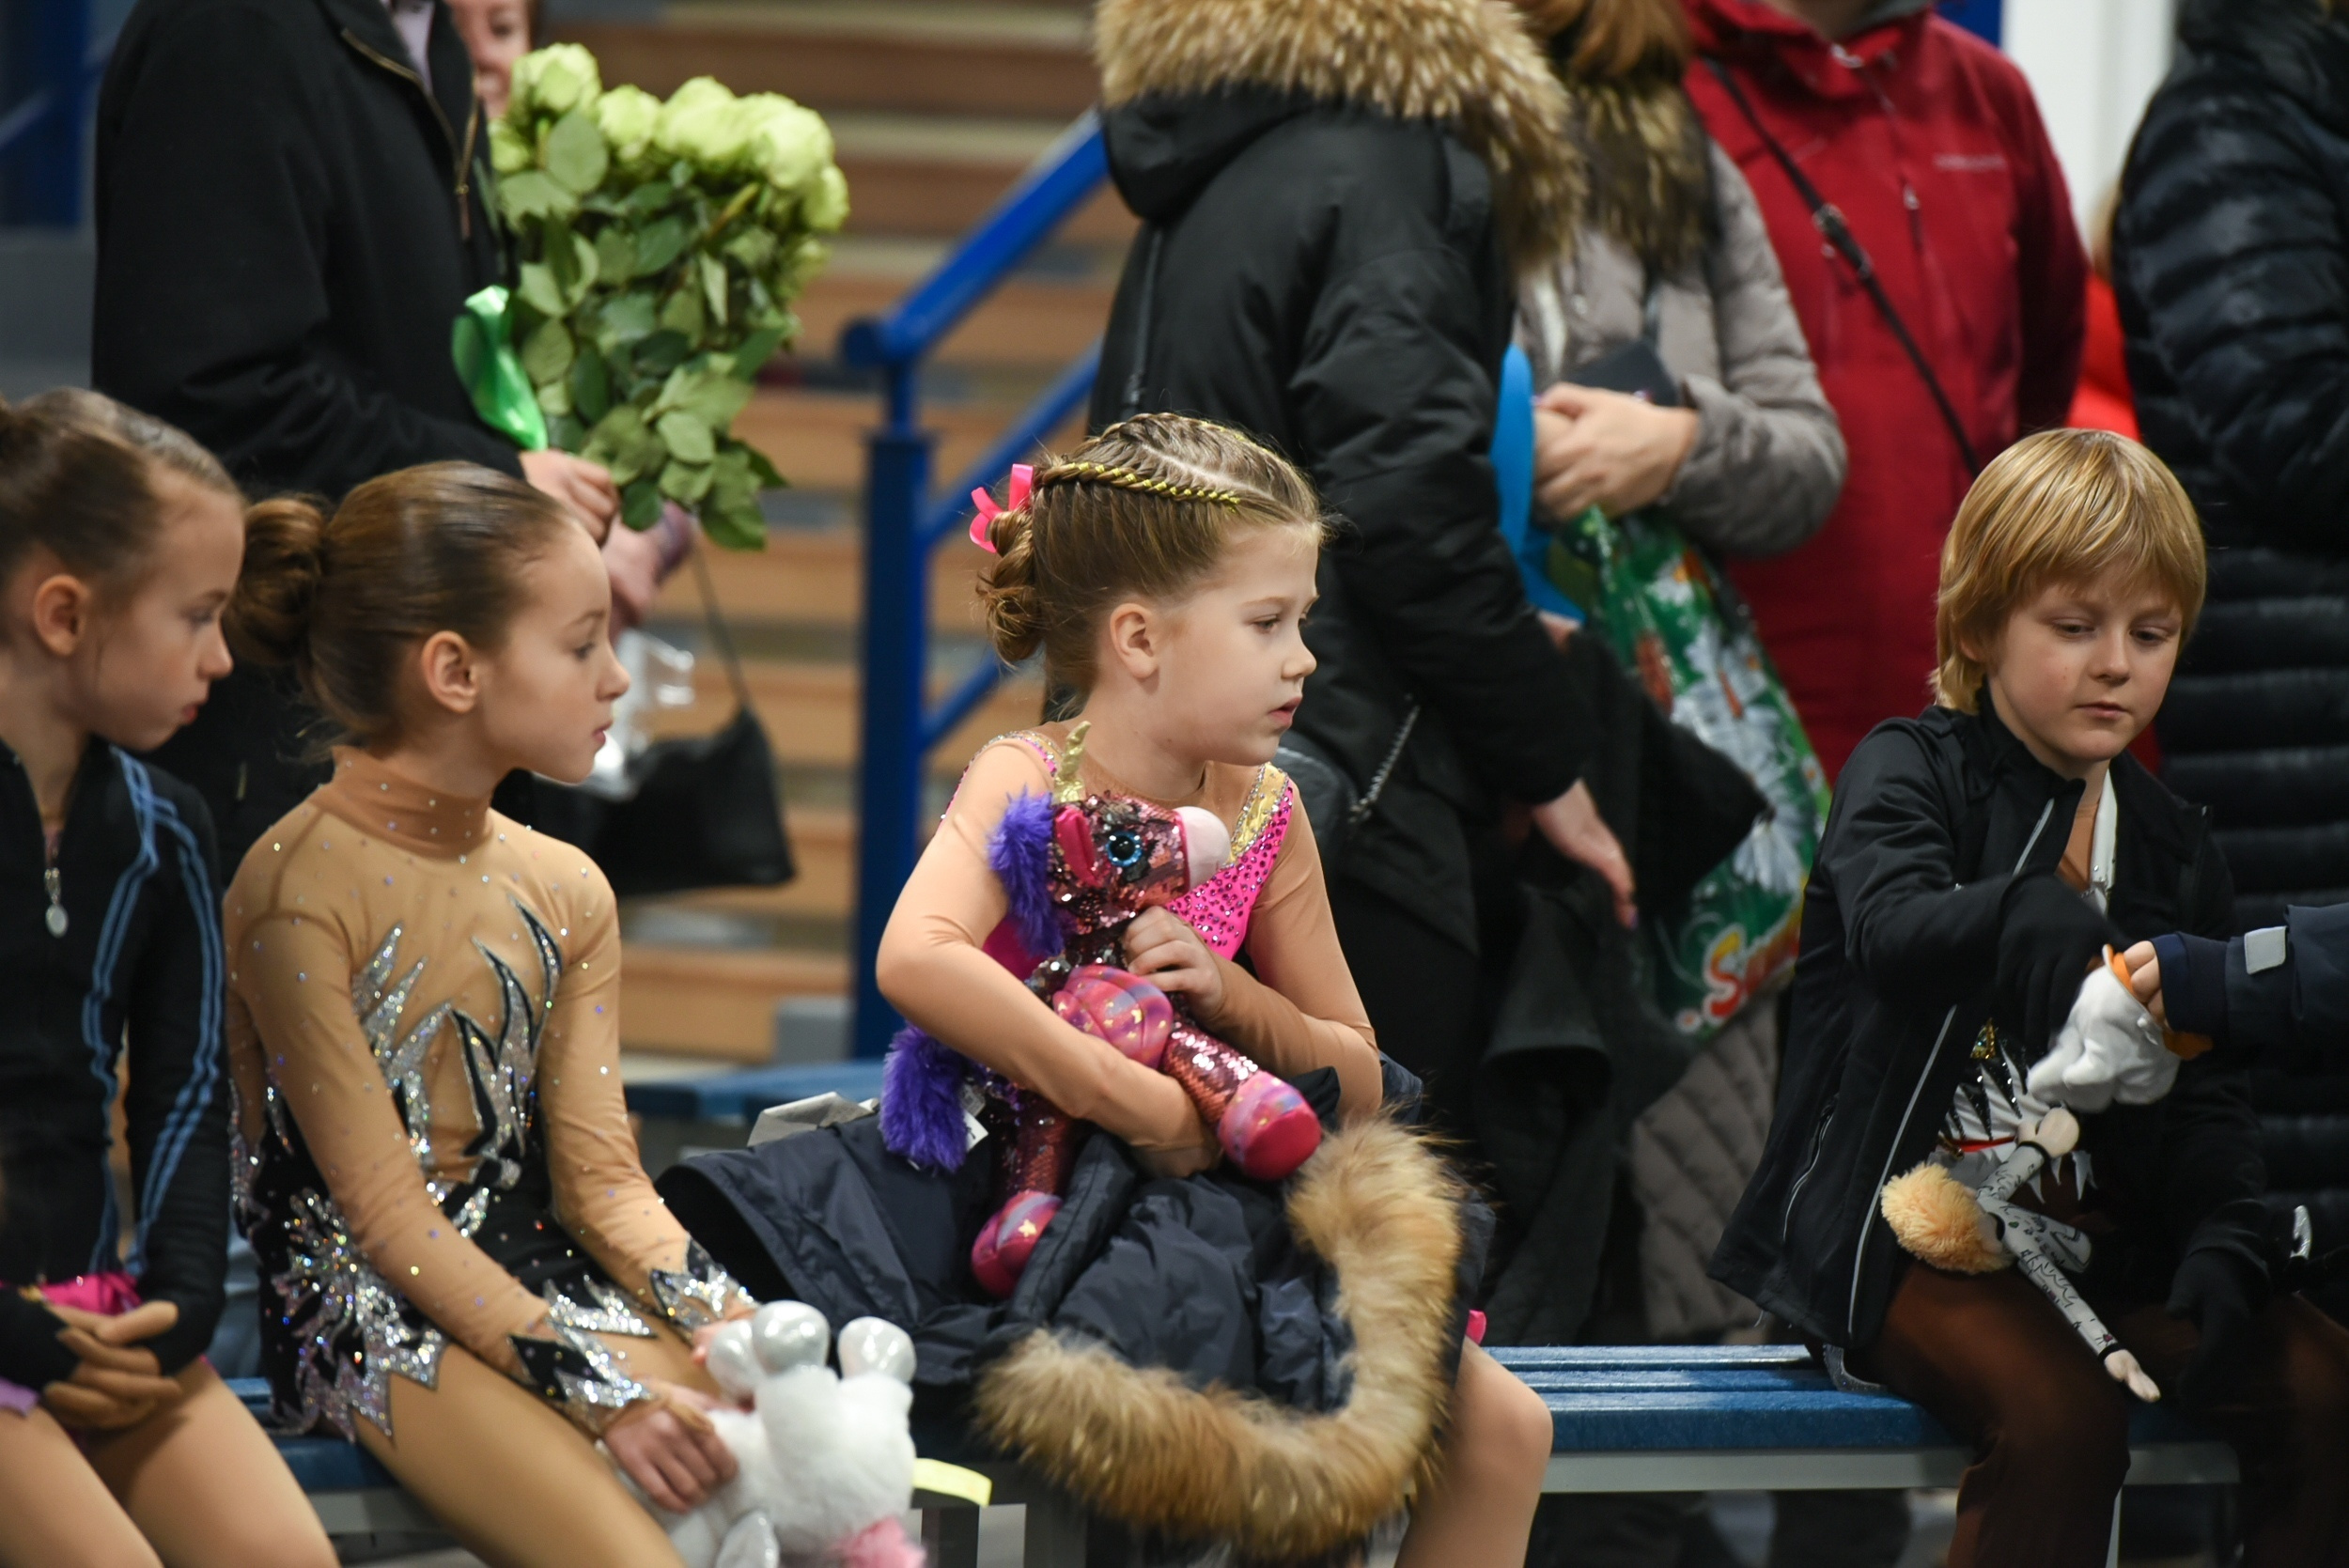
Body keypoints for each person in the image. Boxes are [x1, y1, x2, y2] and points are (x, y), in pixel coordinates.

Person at [656, 414, 1554, 1568]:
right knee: (1133, 1406)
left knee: (1503, 1429)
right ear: (1139, 636)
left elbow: (1362, 1074)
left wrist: (1230, 997)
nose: (1305, 658)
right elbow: (914, 956)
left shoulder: (1266, 814)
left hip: (1228, 1196)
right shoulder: (1025, 776)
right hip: (1017, 1181)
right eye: (1268, 622)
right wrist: (1131, 1102)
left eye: (1303, 622)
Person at [1715, 428, 2349, 1568]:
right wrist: (2021, 912)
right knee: (2061, 1419)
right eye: (2073, 627)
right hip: (1903, 1231)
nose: (2116, 663)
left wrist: (2221, 1234)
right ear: (1975, 627)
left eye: (2149, 634)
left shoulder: (2170, 844)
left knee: (2320, 1385)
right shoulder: (1908, 768)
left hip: (2096, 1232)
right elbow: (1889, 931)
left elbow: (2202, 1090)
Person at [1085, 0, 1644, 1157]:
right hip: (1348, 784)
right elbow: (1401, 504)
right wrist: (1548, 758)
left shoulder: (1210, 156)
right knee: (1368, 1191)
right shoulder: (1390, 167)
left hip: (1176, 756)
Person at [220, 463, 757, 1568]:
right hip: (365, 1308)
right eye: (580, 645)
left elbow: (605, 1182)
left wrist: (732, 1319)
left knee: (788, 1461)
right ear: (455, 670)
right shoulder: (293, 887)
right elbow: (384, 1218)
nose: (615, 677)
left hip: (539, 1269)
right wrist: (601, 1393)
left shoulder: (565, 886)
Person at [89, 0, 650, 869]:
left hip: (402, 721)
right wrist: (497, 478)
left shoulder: (427, 38)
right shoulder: (232, 33)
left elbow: (431, 348)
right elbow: (212, 392)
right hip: (279, 733)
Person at [0, 391, 334, 1568]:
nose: (224, 656)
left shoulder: (164, 826)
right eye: (196, 615)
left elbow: (188, 1095)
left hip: (99, 1310)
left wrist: (180, 1300)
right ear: (61, 612)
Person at [1683, 0, 2088, 777]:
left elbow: (2042, 381)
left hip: (1961, 718)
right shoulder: (1664, 86)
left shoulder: (1987, 96)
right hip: (1733, 720)